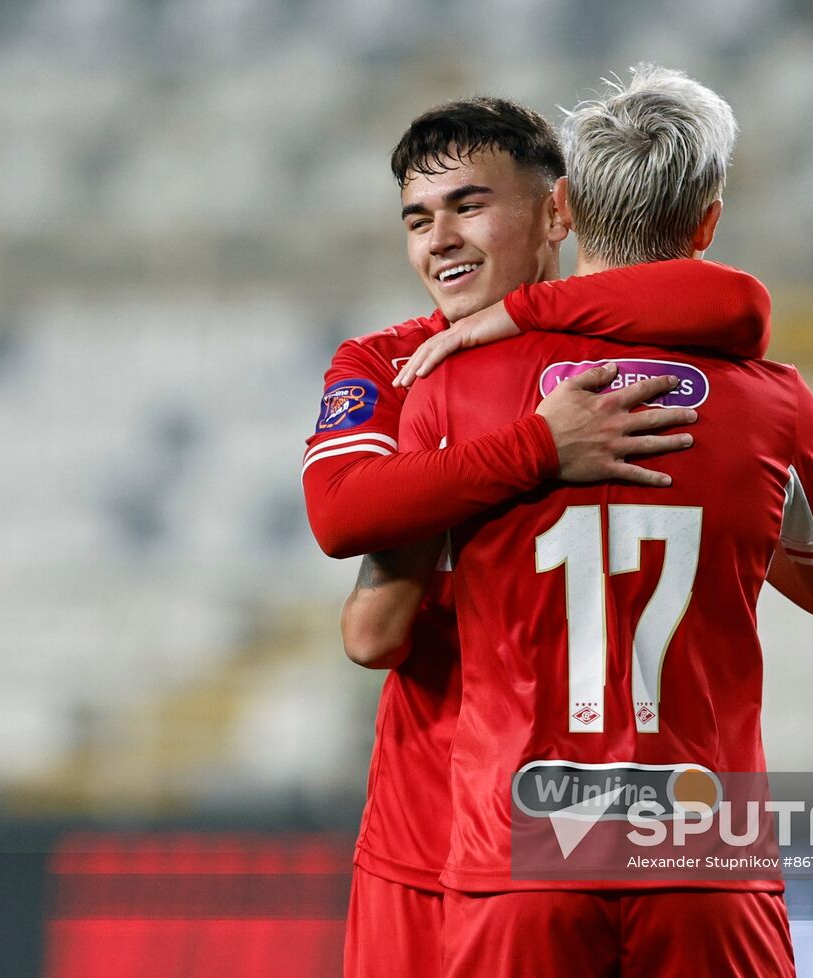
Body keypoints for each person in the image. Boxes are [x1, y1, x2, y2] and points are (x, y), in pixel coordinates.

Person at [391, 65, 813, 977]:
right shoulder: (775, 405)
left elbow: (379, 621)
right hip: (702, 852)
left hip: (518, 848)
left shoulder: (453, 382)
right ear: (708, 223)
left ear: (564, 208)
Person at [301, 97, 775, 978]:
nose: (439, 239)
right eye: (417, 219)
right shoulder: (386, 363)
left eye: (468, 206)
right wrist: (537, 448)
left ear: (560, 211)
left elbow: (740, 303)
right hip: (427, 831)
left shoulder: (634, 363)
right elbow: (339, 512)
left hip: (554, 831)